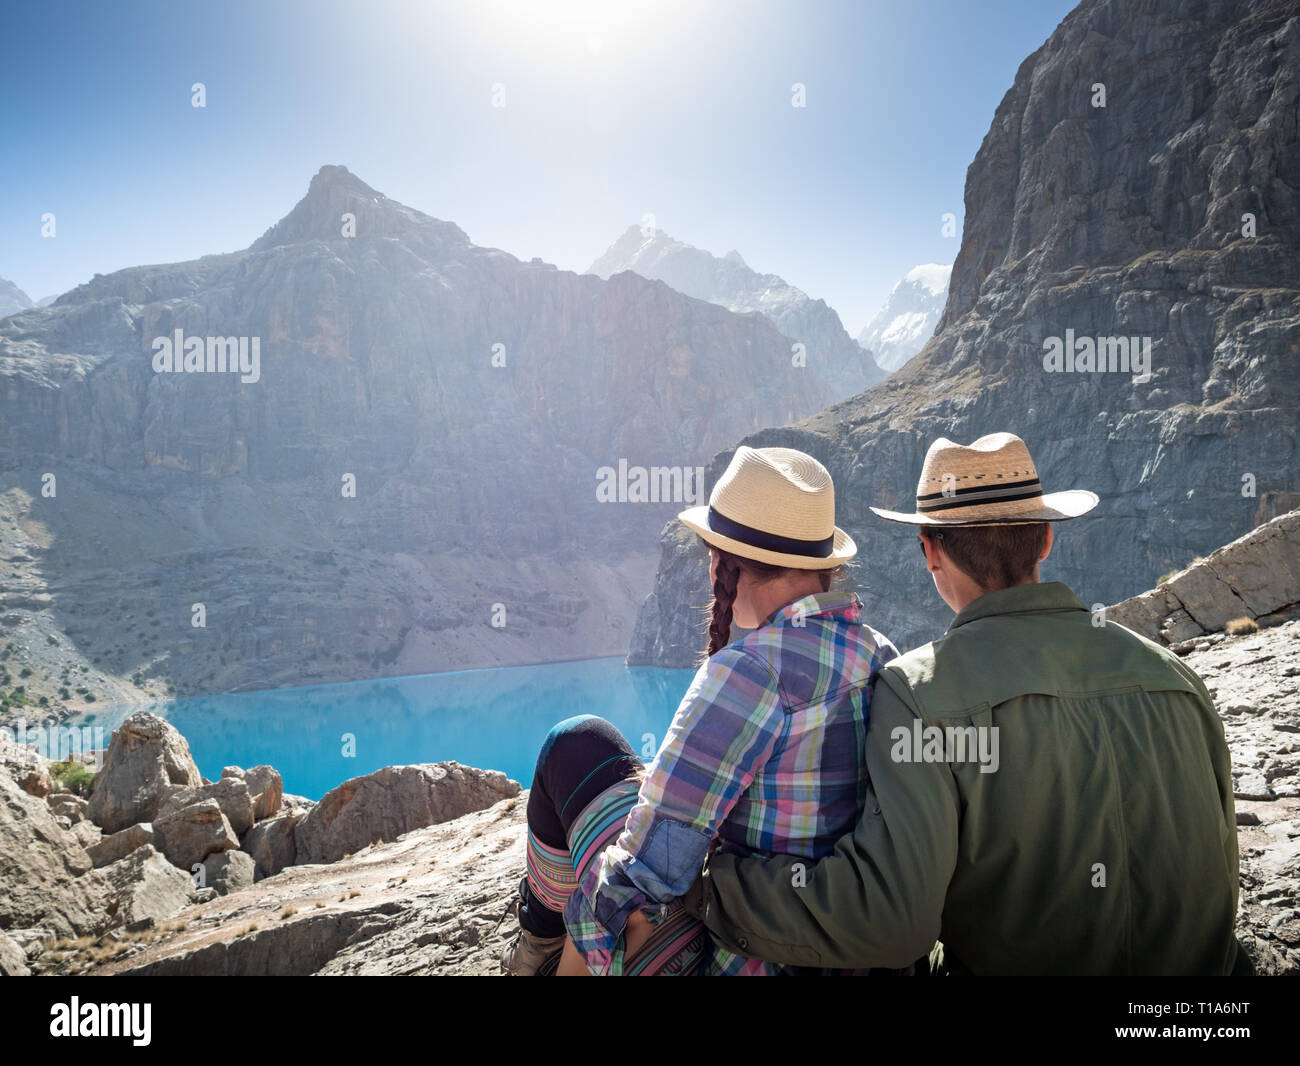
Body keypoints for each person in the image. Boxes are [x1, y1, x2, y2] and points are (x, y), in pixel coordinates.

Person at [684, 432, 1252, 976]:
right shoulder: (1177, 678)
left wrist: (710, 885)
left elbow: (890, 922)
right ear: (1046, 539)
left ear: (929, 550)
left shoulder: (922, 694)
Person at [500, 445, 899, 975]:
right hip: (856, 952)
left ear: (723, 559)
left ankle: (539, 949)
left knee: (576, 744)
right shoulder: (881, 653)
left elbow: (643, 879)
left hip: (752, 956)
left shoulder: (750, 673)